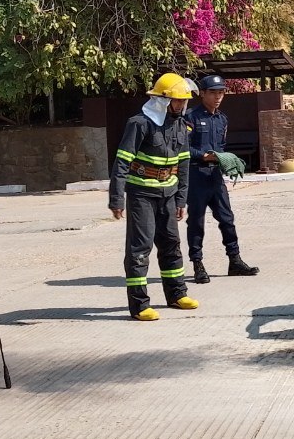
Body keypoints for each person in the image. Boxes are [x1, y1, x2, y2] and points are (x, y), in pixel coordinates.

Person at [109, 73, 199, 320]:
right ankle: (139, 305)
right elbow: (122, 162)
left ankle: (177, 294)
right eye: (177, 101)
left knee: (171, 244)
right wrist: (117, 199)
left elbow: (183, 165)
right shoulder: (139, 124)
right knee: (140, 247)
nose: (181, 105)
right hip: (141, 194)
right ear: (162, 100)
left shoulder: (181, 126)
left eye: (183, 101)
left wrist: (181, 199)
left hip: (168, 194)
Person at [185, 73, 259, 283]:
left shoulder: (222, 119)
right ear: (202, 94)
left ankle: (234, 260)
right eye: (213, 92)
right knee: (196, 221)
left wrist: (226, 160)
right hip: (196, 175)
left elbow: (222, 147)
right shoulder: (190, 117)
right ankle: (198, 264)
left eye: (221, 93)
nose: (218, 97)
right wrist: (204, 156)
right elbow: (182, 148)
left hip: (215, 176)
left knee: (227, 219)